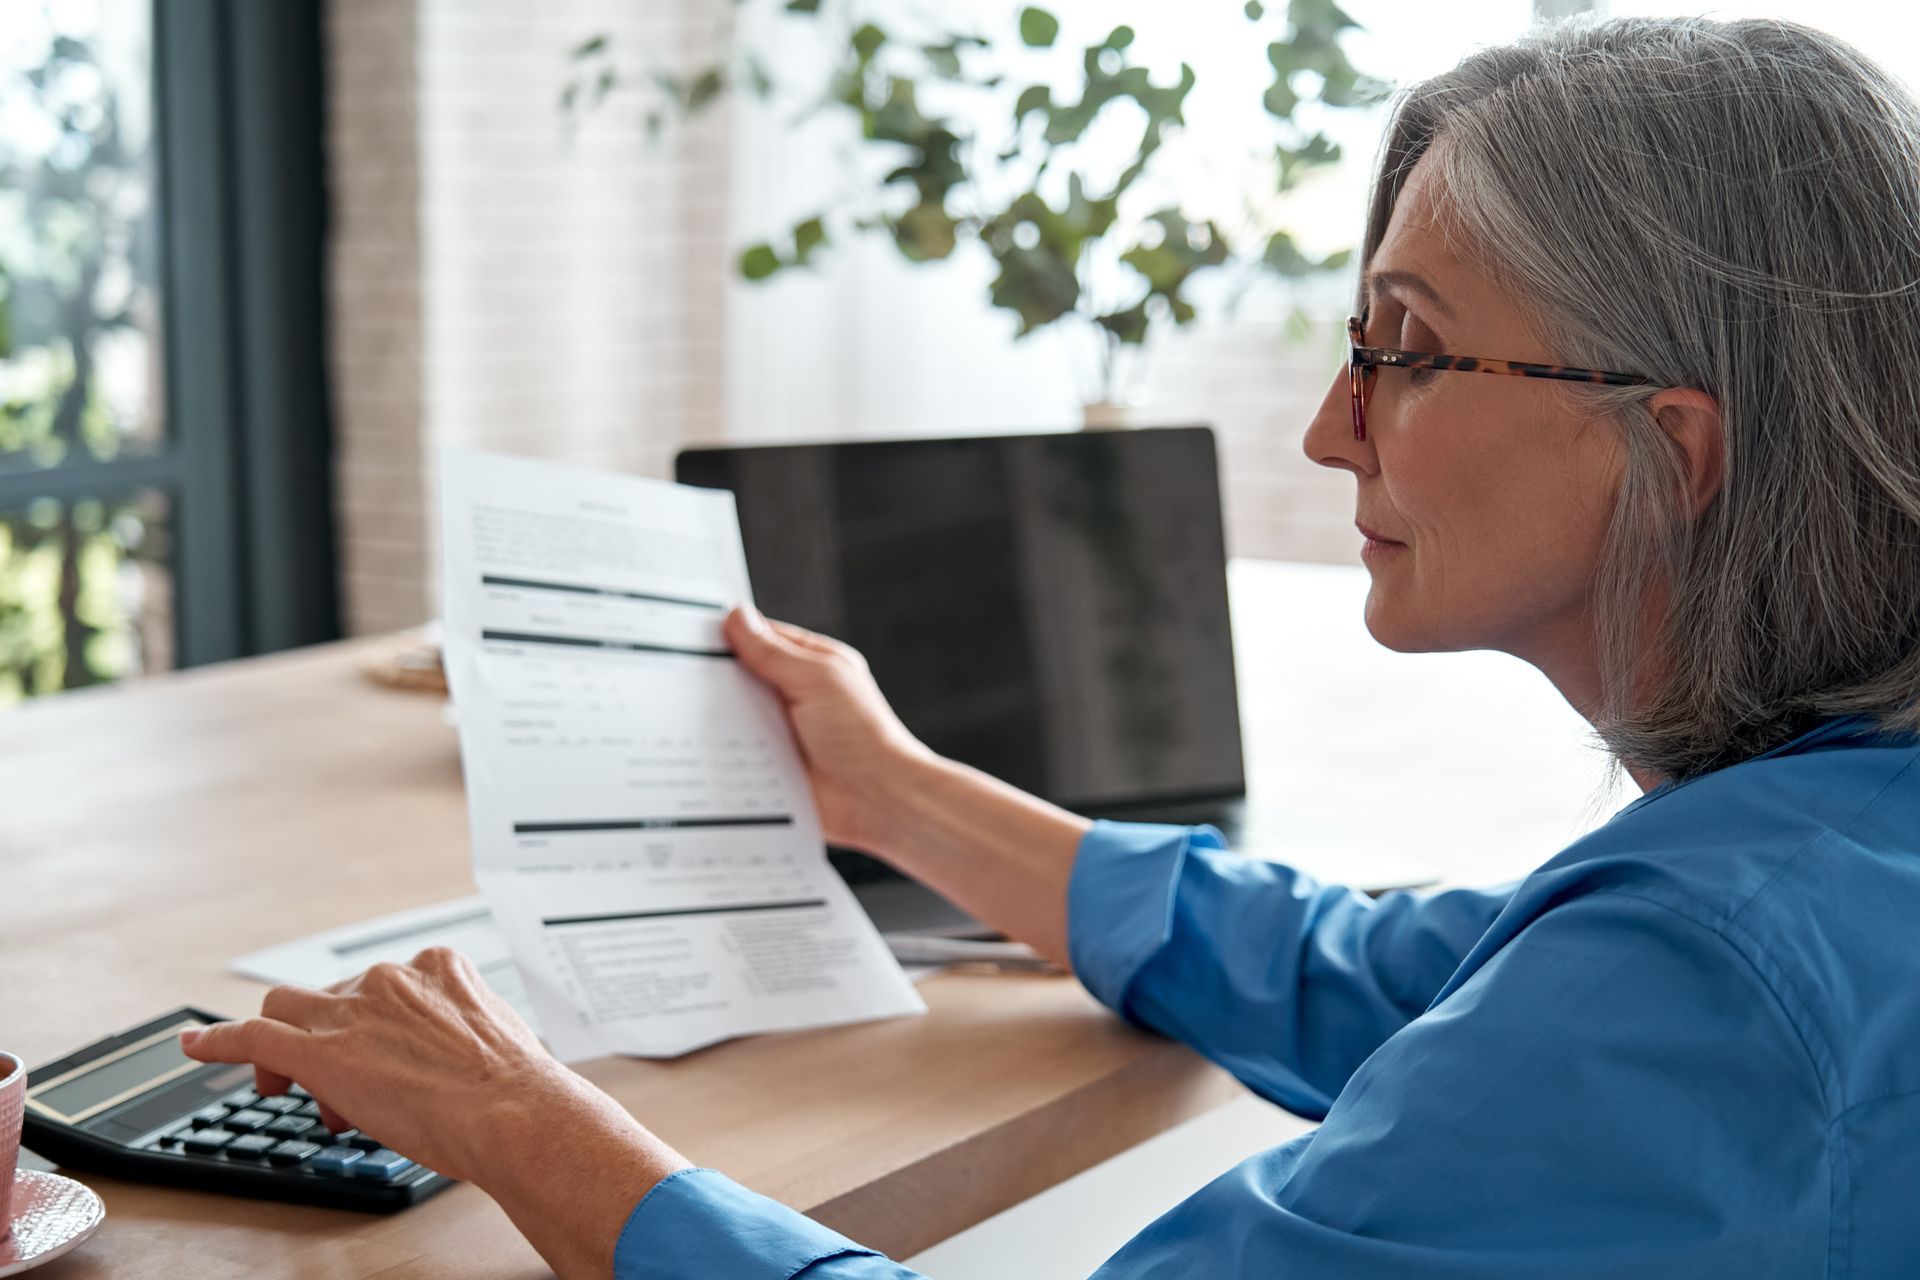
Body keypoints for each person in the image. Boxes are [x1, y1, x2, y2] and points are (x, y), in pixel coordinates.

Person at [182, 14, 1920, 1278]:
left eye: (1407, 346)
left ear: (1669, 453)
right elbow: (1394, 978)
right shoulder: (1821, 866)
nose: (1332, 426)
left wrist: (519, 1119)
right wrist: (907, 795)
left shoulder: (1706, 988)